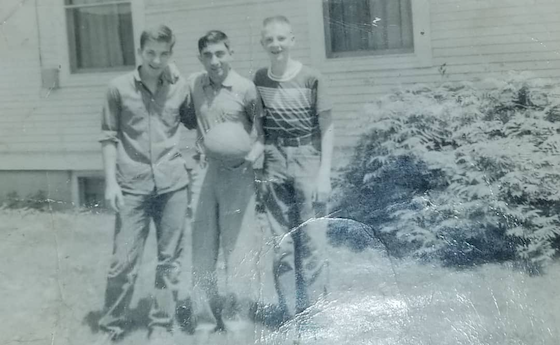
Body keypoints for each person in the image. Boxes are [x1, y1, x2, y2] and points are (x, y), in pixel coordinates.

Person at [98, 25, 193, 343]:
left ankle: (161, 326)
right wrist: (111, 183)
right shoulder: (118, 88)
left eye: (164, 53)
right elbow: (108, 137)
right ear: (140, 51)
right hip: (131, 184)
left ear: (170, 53)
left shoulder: (180, 87)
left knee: (169, 261)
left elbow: (196, 121)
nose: (157, 59)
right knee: (122, 262)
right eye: (151, 53)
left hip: (173, 185)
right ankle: (111, 327)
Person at [252, 15, 334, 327]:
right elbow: (259, 128)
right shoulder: (259, 78)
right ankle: (289, 314)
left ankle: (313, 315)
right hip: (274, 160)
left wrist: (324, 173)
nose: (276, 45)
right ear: (263, 43)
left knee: (312, 241)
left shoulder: (311, 77)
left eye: (281, 38)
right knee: (282, 243)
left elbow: (327, 127)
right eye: (269, 39)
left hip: (308, 158)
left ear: (292, 40)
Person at [184, 30, 263, 333]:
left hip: (237, 174)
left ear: (230, 53)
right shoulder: (195, 84)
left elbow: (261, 134)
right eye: (208, 55)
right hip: (205, 172)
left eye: (220, 53)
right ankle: (203, 319)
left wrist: (250, 156)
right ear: (201, 58)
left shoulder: (246, 89)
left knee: (238, 248)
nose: (215, 61)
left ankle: (236, 318)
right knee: (202, 249)